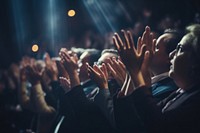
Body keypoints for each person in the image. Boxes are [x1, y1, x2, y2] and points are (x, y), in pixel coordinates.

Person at [113, 24, 200, 133]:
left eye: (180, 49)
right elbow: (131, 119)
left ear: (195, 60)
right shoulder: (180, 92)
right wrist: (136, 70)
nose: (172, 54)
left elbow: (156, 125)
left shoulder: (194, 99)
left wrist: (135, 70)